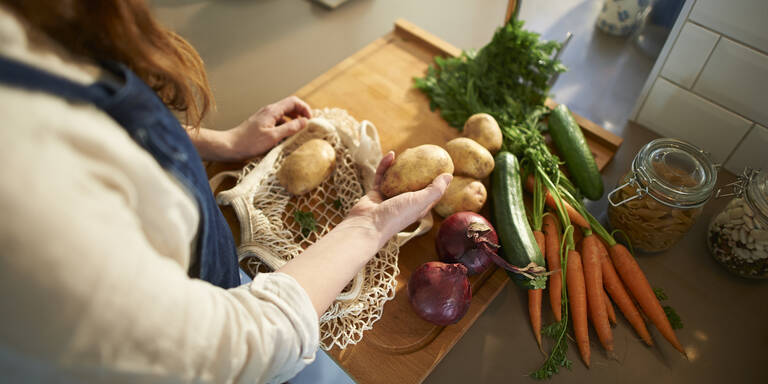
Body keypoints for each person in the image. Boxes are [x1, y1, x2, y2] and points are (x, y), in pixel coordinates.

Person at [0, 1, 451, 383]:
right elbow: (248, 342)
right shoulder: (27, 204)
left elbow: (92, 127)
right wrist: (368, 225)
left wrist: (220, 142)